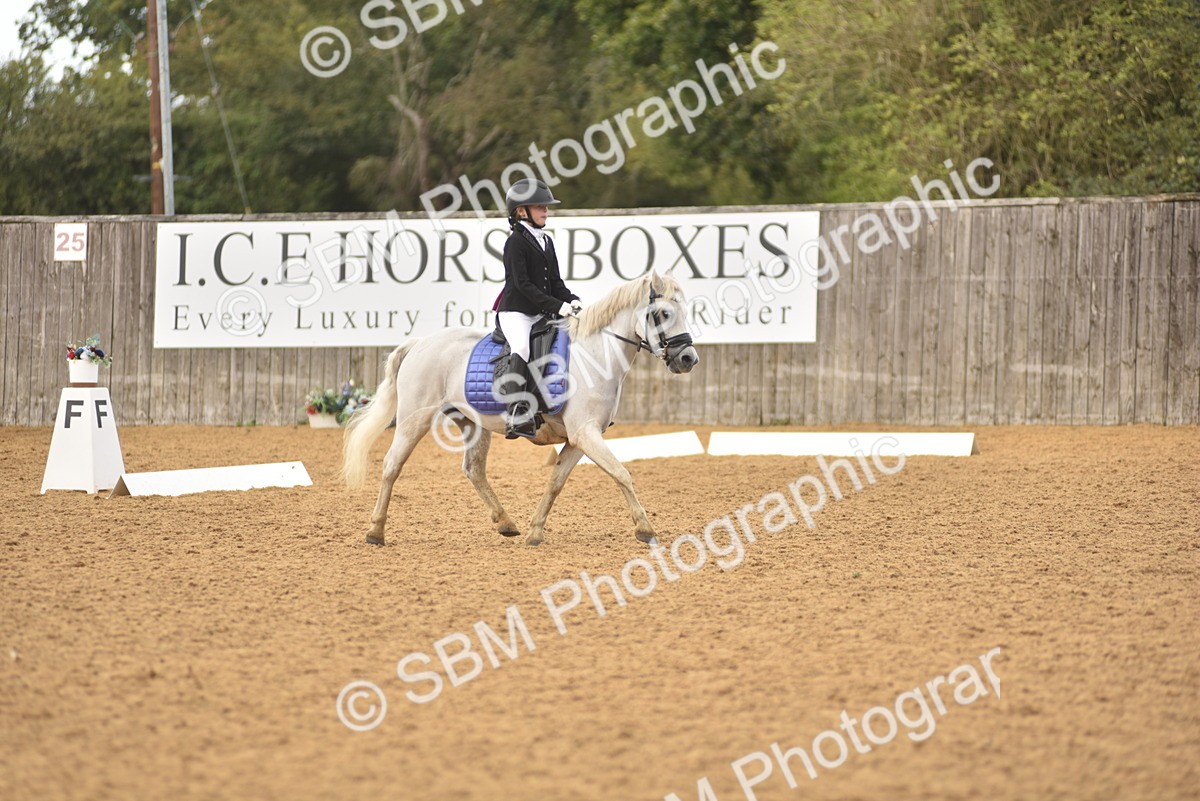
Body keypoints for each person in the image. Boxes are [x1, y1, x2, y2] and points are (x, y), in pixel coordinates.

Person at [496, 178, 582, 439]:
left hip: (541, 311)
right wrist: (558, 307)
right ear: (522, 211)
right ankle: (515, 410)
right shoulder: (515, 243)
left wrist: (572, 299)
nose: (546, 211)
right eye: (541, 207)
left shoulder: (546, 240)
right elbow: (522, 285)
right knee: (522, 346)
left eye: (546, 207)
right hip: (516, 312)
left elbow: (555, 282)